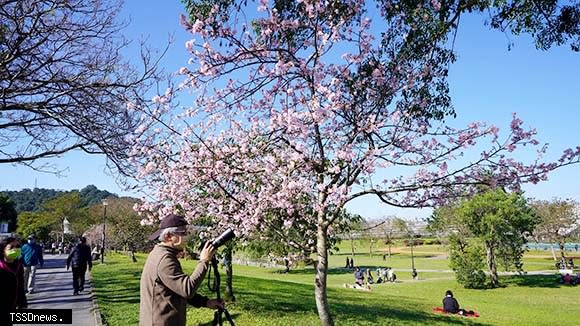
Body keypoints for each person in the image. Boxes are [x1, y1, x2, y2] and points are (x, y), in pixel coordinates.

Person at [139, 214, 224, 326]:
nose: (187, 237)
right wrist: (204, 261)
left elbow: (177, 289)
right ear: (169, 236)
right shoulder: (165, 259)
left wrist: (205, 302)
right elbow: (187, 289)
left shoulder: (162, 254)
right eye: (183, 233)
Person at [1, 237, 27, 325]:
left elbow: (21, 284)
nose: (15, 249)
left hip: (12, 303)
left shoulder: (19, 266)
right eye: (11, 247)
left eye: (17, 246)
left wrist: (22, 303)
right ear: (2, 250)